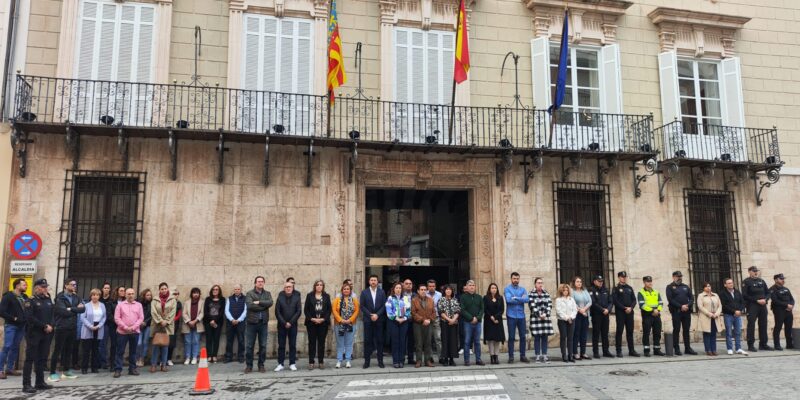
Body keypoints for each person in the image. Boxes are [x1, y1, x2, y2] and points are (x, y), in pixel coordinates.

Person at [22, 279, 54, 394]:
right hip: (34, 333)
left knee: (41, 359)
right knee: (30, 359)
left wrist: (51, 325)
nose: (45, 289)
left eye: (46, 286)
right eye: (43, 287)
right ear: (37, 288)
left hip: (46, 333)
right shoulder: (30, 301)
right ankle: (26, 384)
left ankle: (40, 382)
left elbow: (52, 314)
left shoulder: (48, 299)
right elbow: (29, 317)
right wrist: (44, 325)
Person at [49, 278, 85, 382]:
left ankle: (66, 371)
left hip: (72, 327)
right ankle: (52, 372)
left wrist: (70, 308)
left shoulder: (76, 297)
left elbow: (83, 309)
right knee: (58, 350)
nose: (74, 286)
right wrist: (75, 309)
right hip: (62, 327)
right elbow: (63, 312)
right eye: (72, 284)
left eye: (75, 284)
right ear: (66, 286)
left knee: (69, 349)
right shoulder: (60, 297)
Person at [0, 278, 28, 379]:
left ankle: (10, 368)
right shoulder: (8, 296)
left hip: (21, 326)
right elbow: (2, 311)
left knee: (15, 347)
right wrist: (13, 318)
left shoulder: (24, 297)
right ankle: (0, 370)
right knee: (7, 346)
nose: (26, 286)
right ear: (17, 286)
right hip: (11, 325)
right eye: (24, 285)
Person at [245, 276, 273, 373]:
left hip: (263, 323)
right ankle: (249, 365)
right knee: (249, 346)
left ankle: (261, 365)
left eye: (262, 281)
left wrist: (259, 302)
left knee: (263, 345)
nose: (260, 283)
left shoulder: (267, 293)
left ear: (264, 283)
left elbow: (270, 302)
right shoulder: (249, 293)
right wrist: (264, 307)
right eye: (258, 281)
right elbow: (250, 305)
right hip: (251, 323)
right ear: (255, 283)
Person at [113, 288, 143, 377]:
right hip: (122, 332)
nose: (130, 295)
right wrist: (125, 327)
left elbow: (141, 318)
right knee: (120, 351)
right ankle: (118, 369)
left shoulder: (139, 305)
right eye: (129, 294)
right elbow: (117, 318)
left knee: (133, 351)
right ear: (125, 295)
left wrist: (133, 327)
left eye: (132, 293)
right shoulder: (120, 305)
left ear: (134, 295)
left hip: (134, 332)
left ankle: (132, 369)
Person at [666, 271, 696, 356]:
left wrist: (687, 305)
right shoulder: (670, 287)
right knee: (677, 330)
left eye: (680, 276)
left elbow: (691, 298)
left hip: (686, 312)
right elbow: (670, 300)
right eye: (677, 276)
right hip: (676, 312)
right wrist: (680, 306)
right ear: (673, 277)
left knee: (686, 330)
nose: (679, 278)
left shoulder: (685, 287)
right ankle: (676, 348)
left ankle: (688, 348)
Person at [360, 275, 386, 369]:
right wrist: (370, 315)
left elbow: (384, 305)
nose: (373, 282)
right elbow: (362, 306)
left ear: (377, 282)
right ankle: (367, 362)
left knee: (380, 341)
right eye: (372, 280)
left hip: (379, 320)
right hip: (368, 320)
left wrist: (377, 315)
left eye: (375, 280)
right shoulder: (364, 292)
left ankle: (380, 361)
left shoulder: (382, 292)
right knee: (368, 341)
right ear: (369, 281)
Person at [305, 280, 332, 370]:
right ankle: (311, 362)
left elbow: (329, 310)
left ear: (323, 286)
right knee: (312, 343)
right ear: (315, 286)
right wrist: (312, 319)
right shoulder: (309, 296)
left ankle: (321, 362)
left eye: (321, 285)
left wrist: (323, 319)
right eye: (317, 285)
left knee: (321, 343)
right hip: (311, 323)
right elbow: (306, 310)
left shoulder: (326, 296)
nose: (319, 286)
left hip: (323, 323)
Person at [742, 266, 771, 351]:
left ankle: (763, 344)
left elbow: (768, 292)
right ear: (749, 272)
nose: (755, 272)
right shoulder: (746, 282)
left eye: (756, 271)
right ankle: (750, 345)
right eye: (754, 271)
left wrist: (765, 299)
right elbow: (744, 295)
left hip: (762, 305)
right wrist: (756, 300)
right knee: (751, 325)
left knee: (763, 324)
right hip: (752, 305)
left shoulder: (761, 281)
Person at [150, 282, 177, 373]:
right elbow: (153, 312)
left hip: (167, 325)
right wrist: (160, 321)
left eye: (165, 288)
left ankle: (164, 365)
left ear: (167, 289)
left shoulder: (173, 300)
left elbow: (173, 312)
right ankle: (153, 365)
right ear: (159, 290)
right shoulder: (154, 300)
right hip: (157, 325)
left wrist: (166, 321)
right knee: (155, 345)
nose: (164, 290)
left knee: (165, 345)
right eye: (162, 289)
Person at [275, 280, 301, 372]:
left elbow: (298, 311)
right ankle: (280, 364)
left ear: (292, 288)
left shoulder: (297, 297)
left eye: (290, 287)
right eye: (286, 287)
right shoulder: (280, 297)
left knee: (292, 345)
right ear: (284, 288)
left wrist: (290, 322)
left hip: (293, 325)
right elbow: (277, 312)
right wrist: (284, 323)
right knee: (281, 345)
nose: (288, 288)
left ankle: (292, 363)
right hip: (282, 325)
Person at [612, 271, 640, 357]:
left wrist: (631, 308)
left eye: (625, 277)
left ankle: (631, 350)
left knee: (630, 332)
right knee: (619, 331)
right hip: (621, 312)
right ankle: (618, 351)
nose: (624, 278)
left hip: (630, 312)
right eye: (622, 277)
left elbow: (634, 300)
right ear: (619, 277)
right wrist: (624, 308)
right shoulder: (616, 288)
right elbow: (615, 301)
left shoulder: (629, 288)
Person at [332, 283, 359, 369]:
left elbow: (357, 311)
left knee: (349, 343)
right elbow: (334, 311)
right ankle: (339, 360)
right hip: (339, 324)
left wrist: (350, 320)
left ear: (350, 290)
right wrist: (341, 320)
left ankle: (348, 360)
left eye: (348, 289)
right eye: (344, 289)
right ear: (342, 290)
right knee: (340, 343)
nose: (346, 290)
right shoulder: (337, 300)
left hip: (351, 324)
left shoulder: (354, 300)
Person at [505, 272, 530, 363]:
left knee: (522, 336)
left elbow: (527, 299)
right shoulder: (507, 289)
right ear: (511, 279)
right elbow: (508, 300)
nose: (516, 280)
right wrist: (520, 298)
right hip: (511, 315)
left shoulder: (523, 289)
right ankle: (511, 356)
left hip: (521, 316)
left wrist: (515, 297)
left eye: (517, 278)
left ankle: (522, 356)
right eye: (514, 278)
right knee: (511, 337)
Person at [79, 288, 106, 374]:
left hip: (98, 328)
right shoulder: (86, 305)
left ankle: (94, 367)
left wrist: (99, 325)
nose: (95, 297)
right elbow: (82, 318)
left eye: (97, 295)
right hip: (88, 328)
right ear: (91, 296)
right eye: (94, 295)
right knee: (86, 350)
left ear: (99, 296)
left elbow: (104, 317)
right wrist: (91, 326)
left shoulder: (102, 305)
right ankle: (84, 368)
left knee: (95, 349)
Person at [385, 282, 411, 368]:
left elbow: (408, 310)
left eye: (400, 288)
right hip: (394, 321)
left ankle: (401, 361)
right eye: (397, 288)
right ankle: (395, 361)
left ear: (402, 289)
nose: (398, 289)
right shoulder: (390, 298)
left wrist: (404, 318)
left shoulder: (406, 298)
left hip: (404, 321)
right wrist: (396, 318)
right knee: (395, 341)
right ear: (394, 289)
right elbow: (389, 311)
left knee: (402, 341)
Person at [638, 276, 665, 357]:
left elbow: (660, 303)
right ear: (644, 282)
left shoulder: (656, 292)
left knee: (657, 332)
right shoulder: (641, 292)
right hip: (647, 315)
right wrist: (652, 310)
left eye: (650, 281)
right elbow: (642, 305)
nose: (650, 283)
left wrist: (658, 310)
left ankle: (657, 349)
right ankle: (646, 350)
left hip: (656, 315)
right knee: (646, 333)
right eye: (647, 281)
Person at [528, 277, 553, 363]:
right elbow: (532, 305)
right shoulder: (531, 293)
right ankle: (537, 355)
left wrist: (545, 314)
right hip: (536, 319)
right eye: (538, 283)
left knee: (545, 337)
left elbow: (549, 304)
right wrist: (539, 314)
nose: (540, 284)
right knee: (537, 338)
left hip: (545, 318)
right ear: (535, 284)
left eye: (541, 283)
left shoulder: (546, 293)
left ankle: (545, 355)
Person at [720, 278, 747, 356]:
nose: (731, 284)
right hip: (728, 315)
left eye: (731, 283)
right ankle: (729, 348)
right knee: (729, 332)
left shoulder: (737, 292)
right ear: (725, 285)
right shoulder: (722, 293)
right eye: (729, 283)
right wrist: (734, 311)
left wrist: (739, 310)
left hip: (737, 315)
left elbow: (742, 302)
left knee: (738, 332)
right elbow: (724, 306)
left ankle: (738, 348)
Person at [459, 280, 484, 366]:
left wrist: (477, 318)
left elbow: (482, 309)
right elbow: (462, 309)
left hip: (478, 322)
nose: (472, 287)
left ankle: (478, 359)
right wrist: (471, 318)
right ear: (466, 287)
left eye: (473, 285)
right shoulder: (463, 297)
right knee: (467, 341)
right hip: (467, 322)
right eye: (470, 285)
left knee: (477, 341)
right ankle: (467, 360)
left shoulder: (479, 297)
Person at [588, 275, 613, 358]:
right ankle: (596, 352)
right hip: (597, 315)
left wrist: (608, 310)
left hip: (606, 315)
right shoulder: (591, 290)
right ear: (595, 281)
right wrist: (603, 310)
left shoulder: (605, 290)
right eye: (599, 281)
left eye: (601, 281)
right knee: (596, 333)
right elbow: (593, 303)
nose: (600, 282)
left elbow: (610, 301)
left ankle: (606, 351)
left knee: (605, 333)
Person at [412, 284, 435, 368]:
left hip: (429, 324)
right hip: (418, 324)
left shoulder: (431, 300)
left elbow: (434, 312)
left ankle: (427, 360)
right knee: (418, 343)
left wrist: (429, 320)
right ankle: (418, 360)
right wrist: (422, 320)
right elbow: (413, 313)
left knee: (428, 343)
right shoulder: (414, 300)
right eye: (421, 289)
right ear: (418, 291)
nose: (423, 291)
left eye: (425, 289)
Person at [696, 282, 722, 356]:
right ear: (703, 288)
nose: (708, 288)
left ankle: (714, 349)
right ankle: (708, 350)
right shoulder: (701, 296)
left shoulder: (715, 295)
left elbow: (720, 306)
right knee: (707, 333)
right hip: (706, 317)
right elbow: (700, 306)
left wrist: (717, 313)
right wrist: (709, 314)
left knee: (713, 334)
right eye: (707, 286)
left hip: (715, 317)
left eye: (709, 286)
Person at [770, 274, 795, 350]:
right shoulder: (772, 289)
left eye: (783, 279)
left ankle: (789, 344)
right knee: (778, 327)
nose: (783, 280)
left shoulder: (786, 289)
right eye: (781, 279)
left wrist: (791, 305)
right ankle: (777, 345)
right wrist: (787, 305)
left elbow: (792, 299)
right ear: (776, 280)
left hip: (788, 311)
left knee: (788, 327)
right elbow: (775, 301)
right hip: (779, 311)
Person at [224, 284, 247, 363]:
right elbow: (226, 310)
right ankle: (228, 357)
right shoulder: (229, 299)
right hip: (230, 323)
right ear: (234, 290)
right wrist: (232, 319)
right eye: (235, 289)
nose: (237, 290)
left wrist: (239, 320)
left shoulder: (245, 298)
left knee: (241, 340)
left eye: (238, 289)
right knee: (229, 340)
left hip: (241, 323)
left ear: (241, 290)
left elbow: (245, 311)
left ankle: (241, 357)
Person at [438, 285, 460, 366]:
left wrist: (453, 320)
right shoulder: (441, 300)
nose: (448, 291)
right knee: (445, 340)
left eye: (450, 289)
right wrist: (449, 320)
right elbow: (441, 312)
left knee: (453, 341)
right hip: (445, 323)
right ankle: (446, 359)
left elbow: (458, 311)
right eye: (447, 289)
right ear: (444, 291)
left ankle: (452, 359)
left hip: (453, 324)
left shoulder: (455, 300)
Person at [483, 283, 505, 365]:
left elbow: (502, 310)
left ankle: (496, 356)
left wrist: (496, 317)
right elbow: (485, 309)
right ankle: (492, 357)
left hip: (498, 321)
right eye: (492, 288)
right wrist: (491, 317)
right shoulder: (485, 298)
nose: (494, 289)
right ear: (489, 289)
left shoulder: (500, 298)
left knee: (497, 339)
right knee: (491, 339)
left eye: (495, 288)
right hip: (489, 321)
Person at [203, 285, 226, 363]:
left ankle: (214, 355)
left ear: (219, 291)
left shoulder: (222, 299)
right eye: (213, 289)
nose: (215, 290)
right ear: (211, 290)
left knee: (216, 339)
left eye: (217, 289)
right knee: (209, 339)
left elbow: (222, 312)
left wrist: (215, 320)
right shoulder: (208, 299)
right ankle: (209, 356)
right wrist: (211, 320)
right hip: (208, 322)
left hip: (218, 322)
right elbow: (205, 311)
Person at [571, 277, 592, 360]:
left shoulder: (585, 291)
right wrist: (580, 310)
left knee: (584, 334)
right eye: (577, 281)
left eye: (580, 282)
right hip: (577, 315)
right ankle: (575, 353)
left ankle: (583, 352)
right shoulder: (572, 291)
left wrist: (584, 310)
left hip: (585, 314)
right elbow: (572, 302)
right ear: (574, 282)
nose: (579, 283)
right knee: (576, 334)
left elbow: (590, 301)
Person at [555, 283, 576, 363]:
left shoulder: (571, 299)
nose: (566, 292)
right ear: (561, 291)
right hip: (562, 320)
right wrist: (567, 318)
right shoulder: (558, 300)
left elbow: (575, 309)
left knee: (570, 338)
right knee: (563, 337)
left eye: (567, 290)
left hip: (571, 320)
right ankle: (564, 355)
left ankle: (570, 355)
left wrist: (571, 317)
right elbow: (559, 311)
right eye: (564, 290)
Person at [182, 288, 204, 365]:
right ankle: (187, 357)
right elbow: (184, 313)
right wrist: (189, 321)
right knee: (187, 342)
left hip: (197, 324)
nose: (195, 294)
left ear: (199, 294)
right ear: (191, 294)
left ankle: (194, 357)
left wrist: (195, 321)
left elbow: (202, 313)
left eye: (197, 293)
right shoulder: (187, 302)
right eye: (194, 293)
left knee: (196, 341)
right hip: (187, 325)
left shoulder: (202, 302)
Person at [106, 286, 125, 371]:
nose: (123, 292)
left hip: (123, 327)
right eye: (121, 290)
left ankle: (119, 363)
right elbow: (109, 314)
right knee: (114, 345)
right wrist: (117, 322)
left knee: (121, 346)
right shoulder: (111, 302)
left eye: (124, 291)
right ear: (117, 292)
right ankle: (112, 364)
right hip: (114, 326)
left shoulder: (126, 302)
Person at [425, 280, 444, 364]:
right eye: (430, 286)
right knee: (428, 339)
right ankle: (430, 357)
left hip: (436, 318)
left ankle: (441, 357)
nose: (431, 288)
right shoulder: (424, 293)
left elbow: (441, 306)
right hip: (427, 318)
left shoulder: (439, 294)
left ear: (435, 286)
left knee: (438, 338)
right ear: (427, 287)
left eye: (433, 286)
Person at [136, 289, 153, 367]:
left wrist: (145, 322)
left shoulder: (152, 304)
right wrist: (140, 322)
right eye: (147, 295)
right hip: (138, 325)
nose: (149, 296)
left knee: (145, 342)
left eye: (150, 295)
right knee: (139, 343)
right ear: (144, 295)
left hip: (148, 325)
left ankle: (142, 359)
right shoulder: (138, 303)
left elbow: (152, 315)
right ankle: (138, 358)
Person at [98, 282, 113, 369]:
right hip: (98, 324)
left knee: (104, 343)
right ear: (102, 289)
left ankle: (104, 362)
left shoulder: (111, 300)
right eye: (105, 288)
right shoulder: (99, 299)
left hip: (107, 324)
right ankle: (100, 361)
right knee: (99, 344)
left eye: (108, 288)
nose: (106, 289)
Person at [402, 278, 416, 365]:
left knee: (412, 340)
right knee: (402, 340)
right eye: (406, 283)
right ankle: (402, 358)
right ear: (403, 285)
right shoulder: (400, 294)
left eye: (410, 283)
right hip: (403, 320)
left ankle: (411, 358)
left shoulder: (415, 295)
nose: (408, 285)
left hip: (413, 320)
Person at [167, 288, 182, 365]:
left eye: (177, 294)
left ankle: (169, 358)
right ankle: (163, 359)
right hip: (166, 325)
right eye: (174, 294)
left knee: (171, 343)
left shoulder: (178, 303)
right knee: (164, 342)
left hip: (174, 326)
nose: (176, 295)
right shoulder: (167, 302)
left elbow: (179, 314)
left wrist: (173, 320)